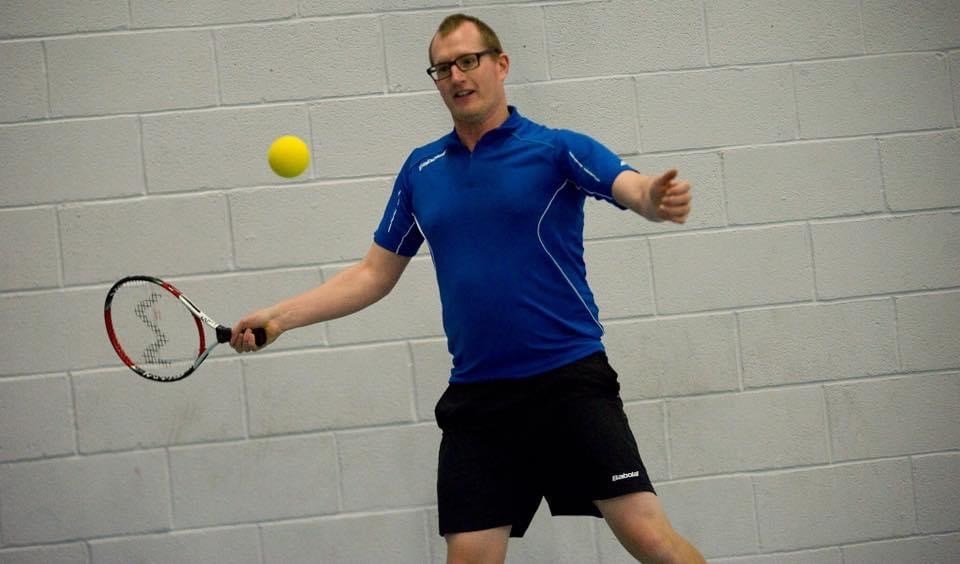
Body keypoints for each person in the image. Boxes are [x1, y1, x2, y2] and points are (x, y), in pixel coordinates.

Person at [232, 13, 703, 564]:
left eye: (468, 61)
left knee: (650, 539)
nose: (457, 76)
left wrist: (654, 200)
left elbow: (632, 187)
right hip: (479, 398)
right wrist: (280, 317)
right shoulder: (421, 170)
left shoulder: (555, 149)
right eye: (442, 68)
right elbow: (372, 275)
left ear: (500, 65)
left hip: (569, 381)